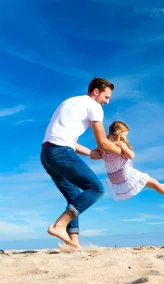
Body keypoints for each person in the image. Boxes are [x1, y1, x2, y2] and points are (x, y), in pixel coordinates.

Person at [40, 77, 124, 249]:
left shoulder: (71, 102)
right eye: (106, 97)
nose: (107, 102)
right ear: (96, 92)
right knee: (96, 189)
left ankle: (73, 243)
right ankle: (59, 225)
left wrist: (94, 153)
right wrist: (123, 153)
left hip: (47, 154)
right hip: (61, 152)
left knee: (74, 195)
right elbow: (103, 142)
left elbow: (74, 144)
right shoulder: (94, 106)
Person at [97, 120, 164, 202]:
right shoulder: (120, 143)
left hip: (114, 178)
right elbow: (131, 156)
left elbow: (94, 154)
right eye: (125, 135)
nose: (125, 137)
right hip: (125, 174)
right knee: (153, 183)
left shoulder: (103, 145)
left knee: (150, 183)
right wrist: (123, 146)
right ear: (119, 133)